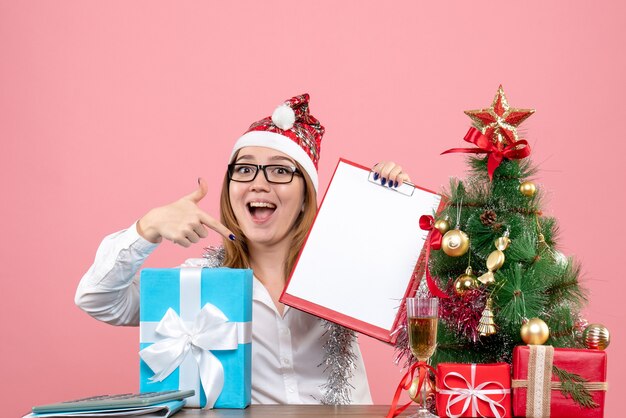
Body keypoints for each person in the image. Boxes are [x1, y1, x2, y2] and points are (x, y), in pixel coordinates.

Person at [75, 93, 411, 405]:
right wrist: (147, 227)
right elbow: (97, 298)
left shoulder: (344, 268)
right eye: (245, 169)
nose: (259, 183)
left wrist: (397, 221)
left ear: (307, 194)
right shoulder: (197, 284)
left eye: (280, 170)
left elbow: (427, 318)